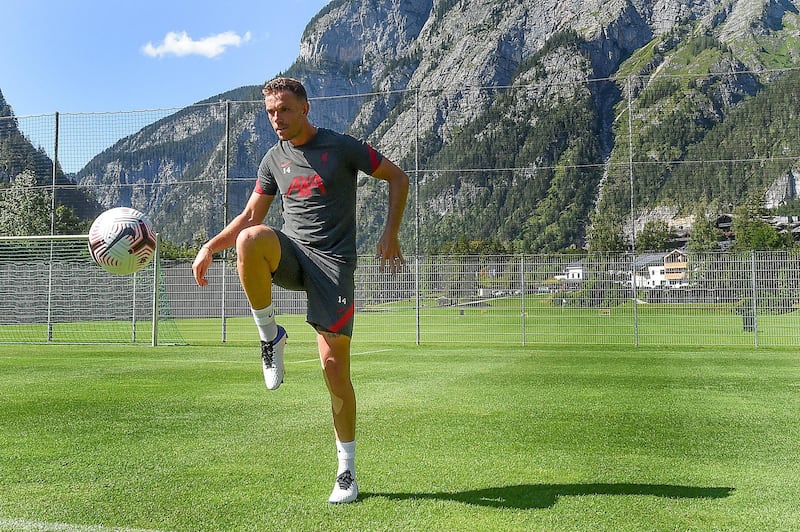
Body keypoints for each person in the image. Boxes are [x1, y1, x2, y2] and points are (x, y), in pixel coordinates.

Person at [191, 77, 409, 504]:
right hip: (292, 253)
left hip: (334, 267)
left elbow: (398, 178)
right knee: (250, 239)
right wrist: (209, 247)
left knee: (334, 371)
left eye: (285, 110)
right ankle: (270, 335)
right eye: (271, 112)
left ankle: (346, 471)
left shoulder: (341, 147)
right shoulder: (274, 159)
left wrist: (391, 234)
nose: (277, 119)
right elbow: (252, 214)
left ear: (305, 108)